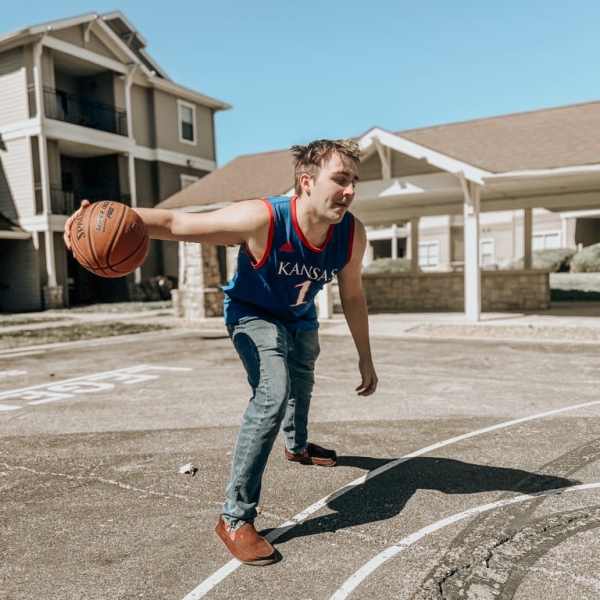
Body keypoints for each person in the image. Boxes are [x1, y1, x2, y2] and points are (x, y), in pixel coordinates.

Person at [64, 138, 378, 565]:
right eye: (340, 180)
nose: (350, 191)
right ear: (306, 182)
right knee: (273, 392)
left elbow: (353, 294)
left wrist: (365, 355)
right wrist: (94, 219)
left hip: (299, 316)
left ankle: (297, 445)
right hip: (252, 314)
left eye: (354, 182)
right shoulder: (262, 219)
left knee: (303, 377)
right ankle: (235, 517)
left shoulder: (351, 234)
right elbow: (176, 223)